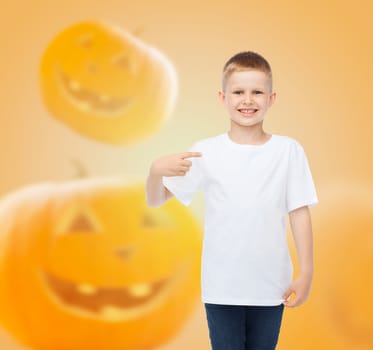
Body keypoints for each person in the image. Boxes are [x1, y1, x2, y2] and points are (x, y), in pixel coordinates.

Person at [145, 51, 319, 350]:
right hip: (222, 289)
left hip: (271, 288)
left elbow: (299, 211)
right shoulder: (206, 152)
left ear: (271, 98)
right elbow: (156, 199)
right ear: (223, 97)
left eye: (257, 92)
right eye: (238, 92)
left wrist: (306, 271)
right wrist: (154, 172)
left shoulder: (288, 151)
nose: (247, 100)